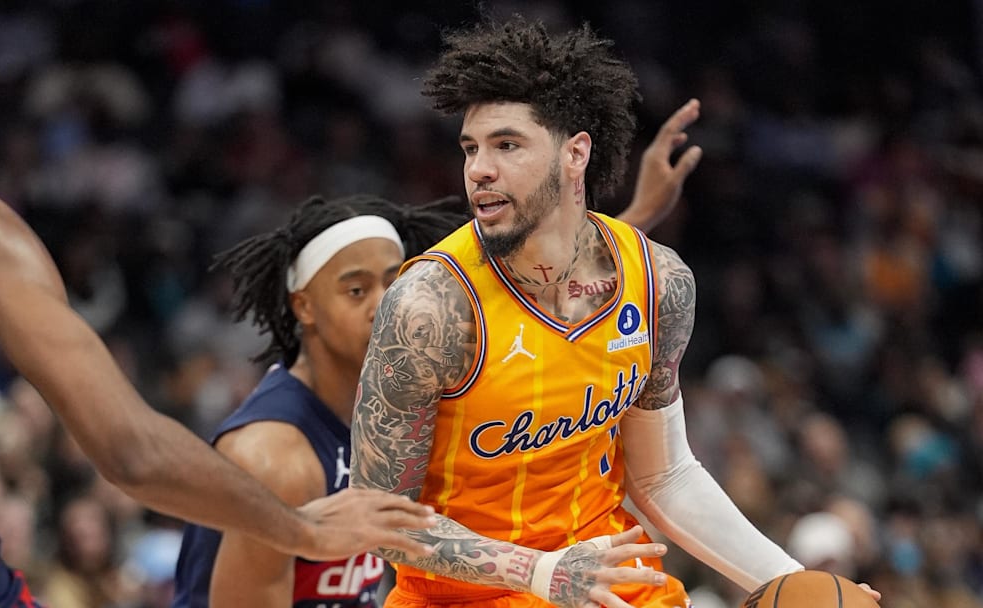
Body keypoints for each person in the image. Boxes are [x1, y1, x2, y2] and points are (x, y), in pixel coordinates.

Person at [348, 17, 881, 608]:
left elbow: (663, 476)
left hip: (610, 580)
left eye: (507, 145)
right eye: (471, 148)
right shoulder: (431, 307)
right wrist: (541, 572)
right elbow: (377, 518)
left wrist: (793, 582)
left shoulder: (658, 282)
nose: (479, 169)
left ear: (575, 153)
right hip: (465, 596)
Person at [0, 29, 436, 608]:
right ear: (302, 305)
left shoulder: (399, 420)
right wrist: (305, 529)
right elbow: (132, 453)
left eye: (395, 281)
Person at [171, 97, 703, 607]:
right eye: (356, 291)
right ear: (304, 307)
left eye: (392, 282)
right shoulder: (276, 456)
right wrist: (541, 571)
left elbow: (541, 299)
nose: (382, 304)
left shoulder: (411, 376)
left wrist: (635, 216)